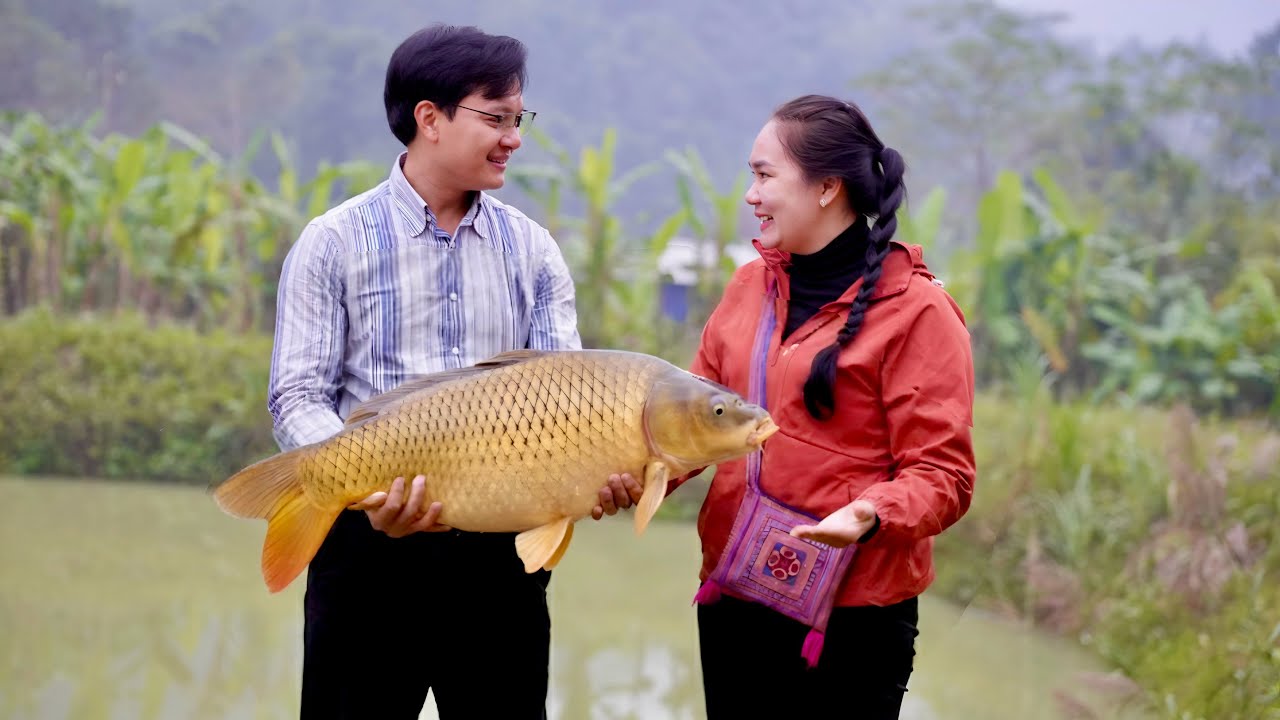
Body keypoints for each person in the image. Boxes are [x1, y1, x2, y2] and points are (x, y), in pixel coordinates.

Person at [267, 24, 641, 720]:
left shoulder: (533, 250)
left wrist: (604, 470)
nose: (514, 137)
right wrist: (363, 487)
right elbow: (298, 393)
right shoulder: (333, 242)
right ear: (429, 119)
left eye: (517, 118)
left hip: (500, 567)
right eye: (495, 117)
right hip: (366, 556)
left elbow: (567, 397)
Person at [673, 95, 977, 719]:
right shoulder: (747, 288)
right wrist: (605, 477)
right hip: (736, 597)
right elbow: (689, 424)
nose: (751, 196)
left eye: (764, 175)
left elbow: (943, 475)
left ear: (827, 187)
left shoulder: (919, 313)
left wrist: (868, 513)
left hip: (854, 618)